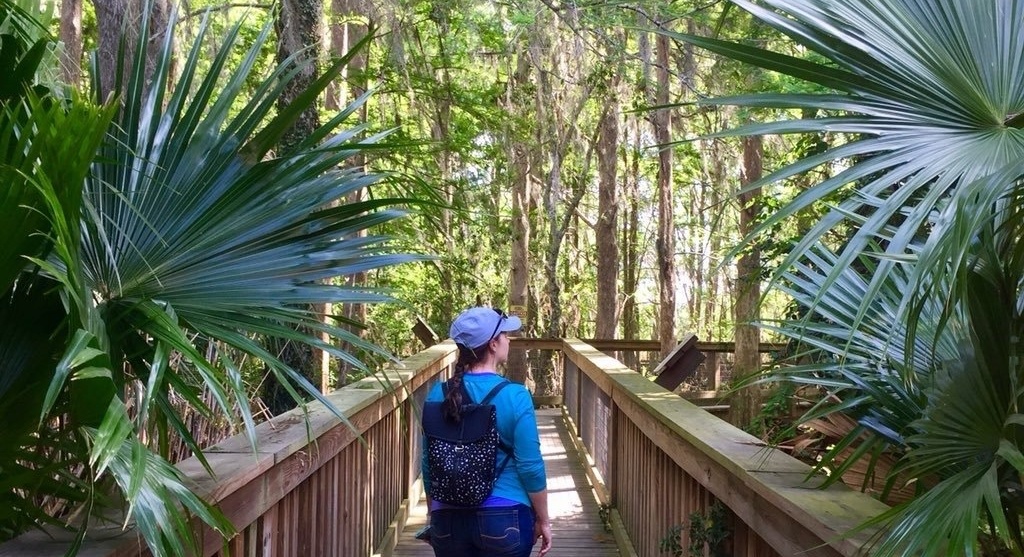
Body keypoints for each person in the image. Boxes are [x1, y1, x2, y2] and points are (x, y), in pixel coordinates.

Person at [421, 306, 552, 557]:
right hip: (505, 516)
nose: (508, 339)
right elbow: (530, 466)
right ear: (493, 344)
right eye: (505, 334)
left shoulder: (438, 393)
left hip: (447, 519)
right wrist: (544, 520)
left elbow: (429, 464)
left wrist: (433, 514)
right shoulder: (515, 396)